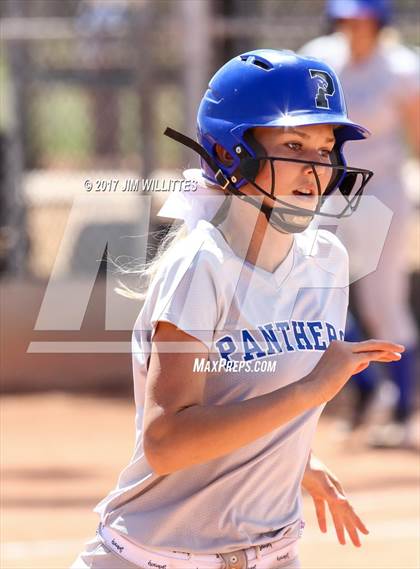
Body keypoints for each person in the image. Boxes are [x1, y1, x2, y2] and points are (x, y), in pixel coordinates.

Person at [71, 49, 404, 569]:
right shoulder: (203, 264)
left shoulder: (326, 261)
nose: (315, 170)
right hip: (156, 558)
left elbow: (253, 395)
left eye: (324, 149)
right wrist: (312, 390)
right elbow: (167, 442)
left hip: (274, 553)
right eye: (293, 145)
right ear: (232, 152)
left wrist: (295, 460)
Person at [300, 0, 419, 447]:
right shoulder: (320, 58)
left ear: (379, 21)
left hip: (383, 192)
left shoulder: (402, 68)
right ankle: (367, 394)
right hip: (328, 190)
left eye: (362, 17)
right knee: (316, 292)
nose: (353, 25)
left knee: (380, 300)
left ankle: (405, 412)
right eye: (346, 17)